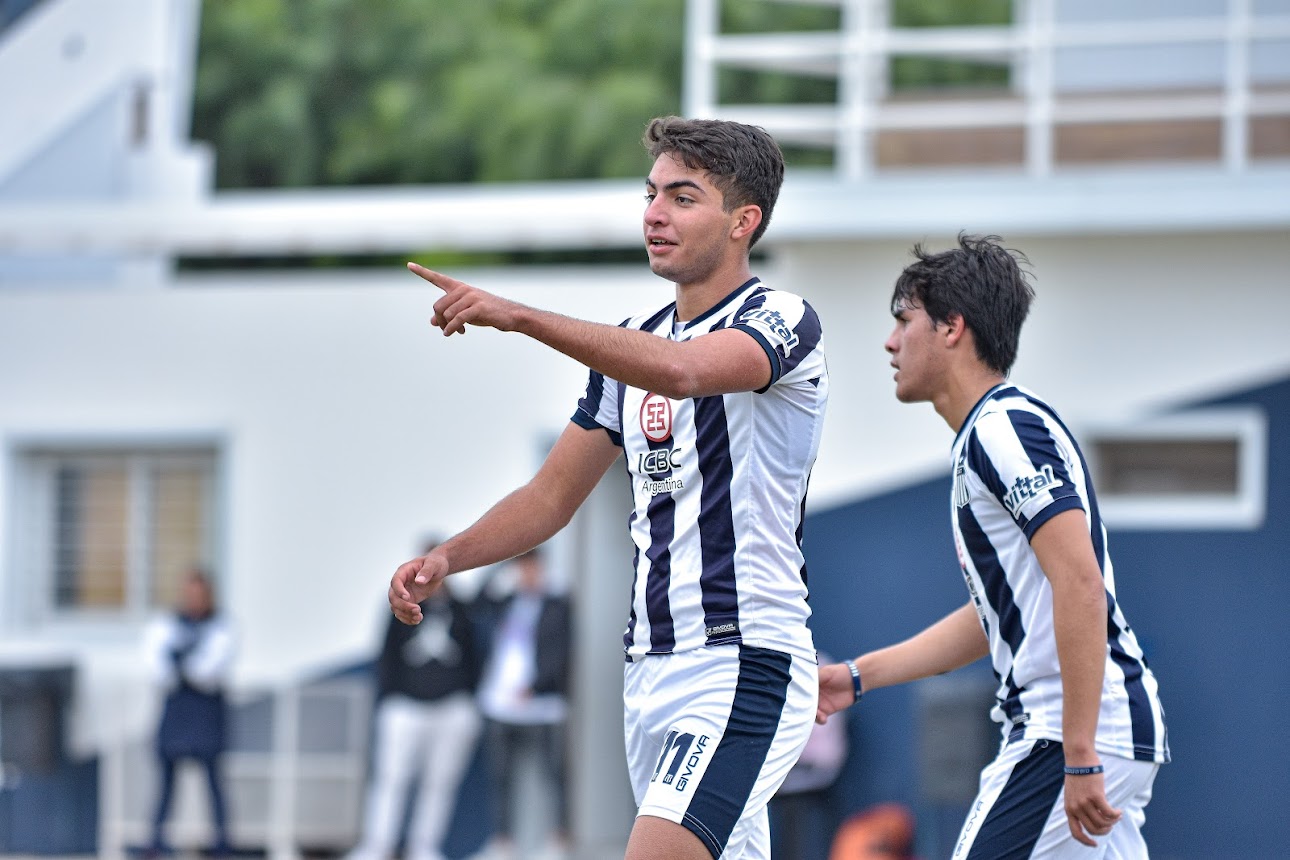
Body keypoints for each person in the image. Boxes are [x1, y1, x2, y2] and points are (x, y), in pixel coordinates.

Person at [389, 115, 829, 860]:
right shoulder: (635, 342)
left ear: (741, 222)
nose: (654, 213)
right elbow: (550, 498)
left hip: (740, 661)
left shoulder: (780, 319)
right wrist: (449, 560)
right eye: (652, 192)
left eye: (683, 198)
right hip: (649, 675)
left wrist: (520, 315)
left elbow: (684, 372)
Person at [817, 234, 1170, 858]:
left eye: (903, 321)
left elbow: (1080, 583)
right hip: (1097, 733)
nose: (889, 342)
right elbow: (1001, 619)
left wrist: (1080, 752)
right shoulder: (987, 438)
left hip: (1069, 735)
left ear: (952, 327)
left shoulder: (1002, 430)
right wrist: (856, 677)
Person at [347, 537, 482, 860]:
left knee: (440, 782)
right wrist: (390, 697)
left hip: (451, 708)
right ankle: (378, 845)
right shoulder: (401, 604)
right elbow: (386, 655)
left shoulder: (463, 610)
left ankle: (424, 847)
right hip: (405, 706)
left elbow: (476, 657)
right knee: (391, 778)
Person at [473, 548, 572, 860]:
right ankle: (503, 841)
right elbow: (476, 603)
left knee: (553, 775)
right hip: (501, 704)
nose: (527, 575)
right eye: (522, 568)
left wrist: (537, 685)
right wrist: (501, 565)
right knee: (502, 776)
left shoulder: (557, 604)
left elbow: (562, 650)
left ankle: (558, 839)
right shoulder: (505, 602)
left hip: (542, 705)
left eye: (532, 568)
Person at [142, 568, 236, 858]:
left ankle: (222, 842)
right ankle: (155, 841)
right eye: (190, 594)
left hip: (207, 712)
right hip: (176, 710)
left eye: (200, 594)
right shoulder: (166, 625)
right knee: (166, 782)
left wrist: (181, 662)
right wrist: (182, 666)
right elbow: (156, 667)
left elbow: (208, 671)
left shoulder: (223, 626)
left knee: (214, 782)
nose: (194, 600)